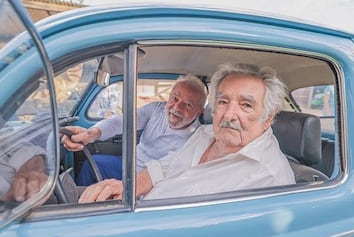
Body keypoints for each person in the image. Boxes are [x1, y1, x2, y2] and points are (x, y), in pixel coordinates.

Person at [78, 63, 296, 203]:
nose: (229, 114)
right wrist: (127, 187)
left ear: (268, 117)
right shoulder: (205, 133)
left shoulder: (270, 176)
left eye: (246, 105)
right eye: (223, 101)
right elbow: (166, 166)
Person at [62, 74, 207, 185]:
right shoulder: (156, 109)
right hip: (129, 165)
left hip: (153, 182)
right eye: (175, 99)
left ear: (199, 111)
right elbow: (121, 122)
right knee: (93, 164)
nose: (177, 107)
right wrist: (91, 133)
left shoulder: (198, 138)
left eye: (187, 105)